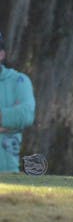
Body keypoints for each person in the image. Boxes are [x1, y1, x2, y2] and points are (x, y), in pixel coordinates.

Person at [0, 30, 36, 174]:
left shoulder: (19, 81)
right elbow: (16, 118)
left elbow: (26, 115)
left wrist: (15, 119)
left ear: (1, 54)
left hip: (7, 171)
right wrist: (8, 121)